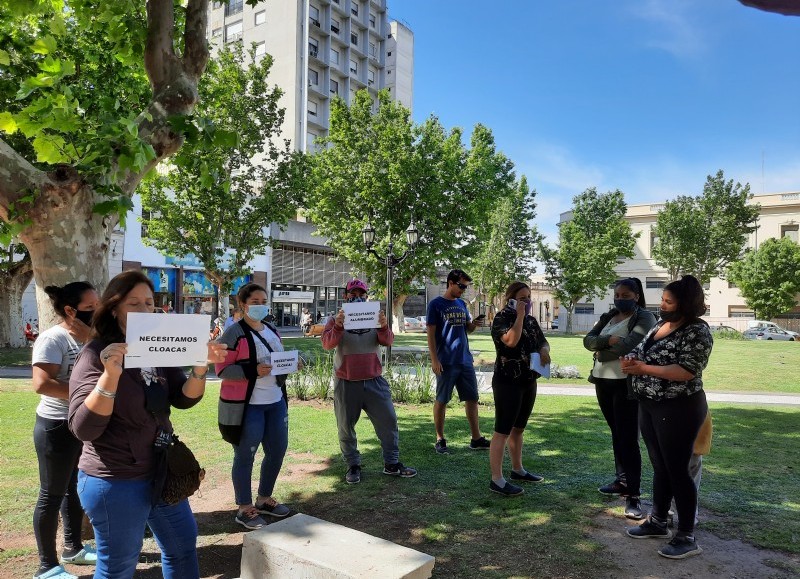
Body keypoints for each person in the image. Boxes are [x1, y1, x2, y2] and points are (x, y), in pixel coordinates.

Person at [68, 271, 226, 578]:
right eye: (134, 303)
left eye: (150, 303)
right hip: (116, 481)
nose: (144, 310)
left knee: (182, 547)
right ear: (114, 309)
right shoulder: (94, 354)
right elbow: (84, 428)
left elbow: (183, 398)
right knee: (119, 567)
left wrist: (198, 367)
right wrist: (110, 375)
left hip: (161, 473)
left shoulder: (156, 347)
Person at [621, 275, 713, 560]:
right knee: (660, 467)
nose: (662, 305)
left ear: (685, 303)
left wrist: (644, 369)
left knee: (678, 471)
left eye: (668, 301)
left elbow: (686, 370)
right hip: (649, 404)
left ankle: (686, 535)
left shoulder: (697, 331)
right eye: (662, 300)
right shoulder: (662, 325)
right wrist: (631, 360)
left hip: (679, 407)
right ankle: (658, 521)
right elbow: (641, 350)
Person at [32, 282, 100, 579]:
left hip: (81, 424)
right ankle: (46, 566)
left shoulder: (94, 338)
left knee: (74, 489)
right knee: (51, 494)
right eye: (90, 309)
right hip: (56, 426)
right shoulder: (53, 338)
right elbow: (42, 383)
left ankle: (73, 547)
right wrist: (87, 393)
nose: (97, 312)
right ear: (70, 310)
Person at [322, 279, 417, 484]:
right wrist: (338, 326)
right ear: (345, 296)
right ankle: (353, 465)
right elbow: (328, 344)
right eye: (353, 294)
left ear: (367, 296)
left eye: (361, 294)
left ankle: (391, 464)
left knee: (388, 422)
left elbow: (388, 341)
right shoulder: (334, 319)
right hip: (346, 382)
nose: (357, 297)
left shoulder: (375, 317)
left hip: (375, 380)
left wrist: (383, 326)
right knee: (346, 427)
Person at [215, 283, 292, 530]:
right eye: (255, 301)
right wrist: (252, 371)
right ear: (243, 305)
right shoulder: (233, 333)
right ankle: (244, 507)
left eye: (263, 301)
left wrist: (291, 364)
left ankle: (264, 498)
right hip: (248, 407)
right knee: (245, 454)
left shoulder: (271, 329)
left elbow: (278, 360)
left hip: (275, 402)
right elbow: (222, 369)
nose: (261, 305)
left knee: (277, 450)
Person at [583, 278, 656, 519]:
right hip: (603, 383)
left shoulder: (644, 318)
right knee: (617, 433)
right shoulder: (609, 316)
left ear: (636, 296)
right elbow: (588, 340)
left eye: (625, 294)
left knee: (628, 438)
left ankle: (634, 496)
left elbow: (628, 346)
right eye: (617, 294)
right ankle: (621, 481)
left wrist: (601, 351)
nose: (620, 298)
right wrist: (605, 342)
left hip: (625, 385)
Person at [488, 282, 550, 497]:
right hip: (507, 381)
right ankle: (497, 479)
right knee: (502, 430)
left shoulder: (532, 321)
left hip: (528, 380)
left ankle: (518, 470)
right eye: (522, 298)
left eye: (529, 297)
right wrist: (520, 316)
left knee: (519, 428)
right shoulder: (501, 319)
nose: (527, 301)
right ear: (511, 299)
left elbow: (542, 341)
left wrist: (544, 350)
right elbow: (511, 341)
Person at [426, 269, 490, 454]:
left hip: (465, 360)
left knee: (472, 399)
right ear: (450, 283)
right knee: (442, 399)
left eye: (466, 287)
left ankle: (476, 438)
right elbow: (430, 333)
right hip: (446, 361)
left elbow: (466, 329)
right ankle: (440, 438)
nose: (464, 289)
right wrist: (434, 359)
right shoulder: (436, 304)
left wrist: (474, 325)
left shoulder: (462, 304)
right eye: (461, 286)